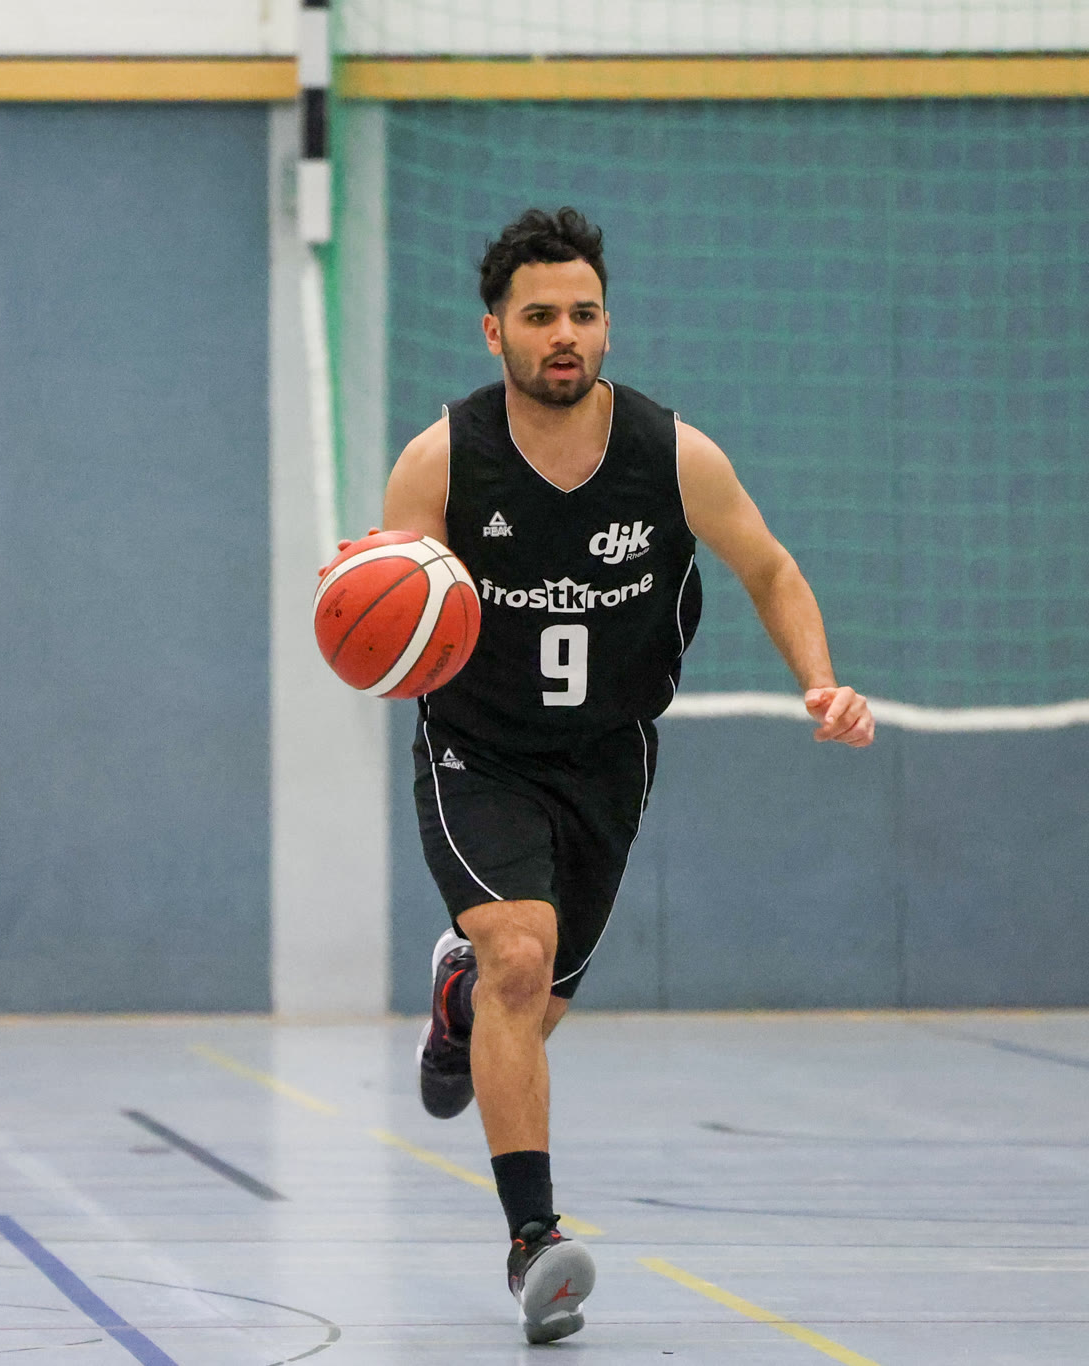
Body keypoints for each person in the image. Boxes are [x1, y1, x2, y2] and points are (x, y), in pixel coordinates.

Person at [331, 207, 875, 1343]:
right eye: (540, 316)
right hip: (478, 751)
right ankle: (535, 1242)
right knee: (519, 955)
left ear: (607, 325)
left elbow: (771, 568)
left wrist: (821, 682)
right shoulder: (441, 460)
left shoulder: (673, 456)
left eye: (583, 313)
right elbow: (392, 607)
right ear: (495, 332)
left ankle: (459, 1003)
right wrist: (371, 612)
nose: (564, 334)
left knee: (530, 1006)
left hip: (608, 759)